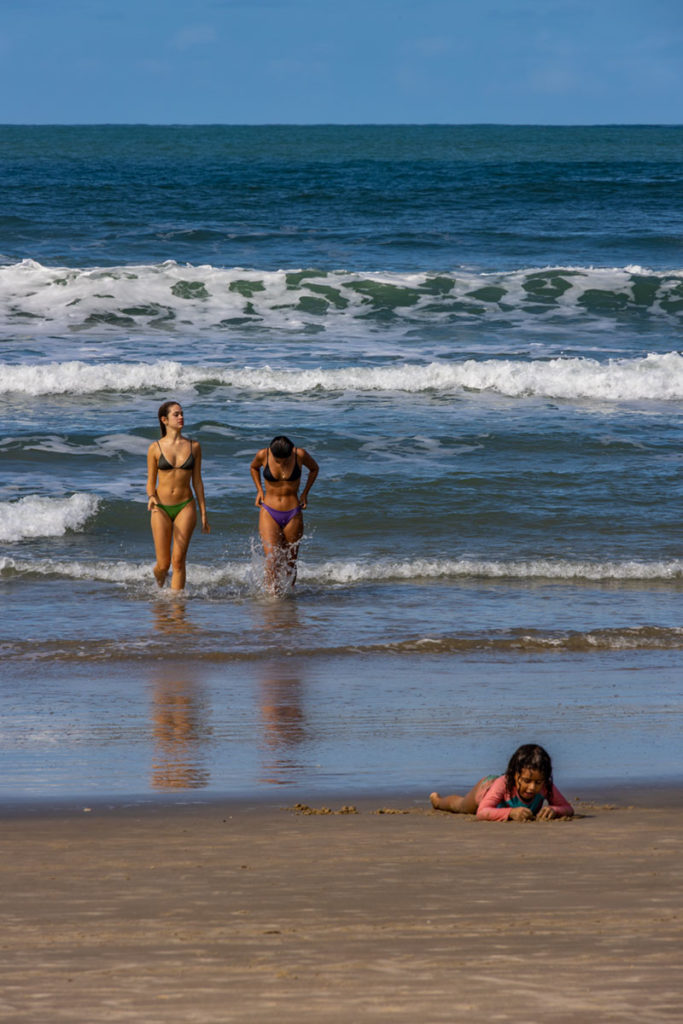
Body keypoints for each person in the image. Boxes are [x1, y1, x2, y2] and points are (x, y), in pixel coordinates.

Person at [146, 400, 209, 591]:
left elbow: (197, 482)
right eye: (176, 414)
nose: (181, 417)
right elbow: (151, 480)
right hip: (161, 508)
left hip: (186, 505)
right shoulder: (155, 448)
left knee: (179, 562)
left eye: (182, 413)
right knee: (163, 565)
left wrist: (204, 513)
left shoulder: (194, 446)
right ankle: (158, 586)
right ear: (164, 419)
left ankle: (177, 607)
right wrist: (151, 496)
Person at [429, 743, 574, 822]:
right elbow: (482, 812)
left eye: (537, 782)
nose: (532, 787)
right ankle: (438, 801)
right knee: (460, 806)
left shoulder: (546, 786)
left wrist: (554, 810)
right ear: (514, 774)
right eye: (526, 781)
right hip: (486, 789)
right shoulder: (503, 783)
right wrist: (510, 813)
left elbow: (567, 808)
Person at [250, 435, 319, 592]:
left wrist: (305, 494)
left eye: (285, 460)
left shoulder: (300, 455)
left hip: (293, 512)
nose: (281, 464)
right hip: (269, 511)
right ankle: (273, 597)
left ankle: (288, 598)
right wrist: (259, 490)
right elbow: (254, 467)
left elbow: (314, 468)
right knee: (272, 559)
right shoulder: (263, 455)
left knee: (290, 560)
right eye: (278, 460)